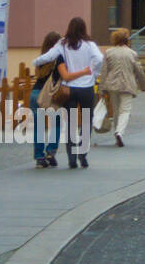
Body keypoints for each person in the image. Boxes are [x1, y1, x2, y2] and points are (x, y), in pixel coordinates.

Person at [32, 17, 104, 169]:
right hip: (86, 88)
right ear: (84, 28)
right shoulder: (90, 44)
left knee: (71, 122)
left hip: (68, 88)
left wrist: (36, 62)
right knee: (86, 121)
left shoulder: (62, 44)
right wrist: (93, 73)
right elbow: (99, 59)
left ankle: (71, 158)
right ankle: (83, 154)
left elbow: (49, 57)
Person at [93, 29, 145, 148]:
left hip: (112, 85)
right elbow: (139, 71)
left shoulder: (108, 52)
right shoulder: (132, 53)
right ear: (127, 40)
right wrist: (143, 85)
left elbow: (104, 71)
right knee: (125, 110)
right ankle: (120, 132)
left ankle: (116, 133)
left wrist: (101, 89)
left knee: (116, 111)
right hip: (128, 85)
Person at [29, 31, 63, 168]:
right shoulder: (59, 58)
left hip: (36, 93)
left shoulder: (41, 59)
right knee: (56, 123)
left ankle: (39, 157)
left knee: (39, 126)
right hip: (50, 94)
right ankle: (51, 151)